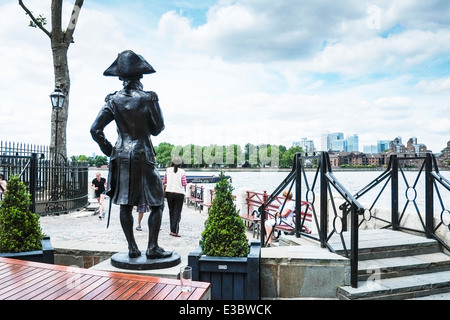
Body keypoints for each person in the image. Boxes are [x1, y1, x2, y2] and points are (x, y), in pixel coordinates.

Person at [91, 50, 170, 259]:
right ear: (140, 78)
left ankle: (132, 248)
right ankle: (152, 247)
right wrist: (154, 103)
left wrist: (109, 150)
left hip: (122, 155)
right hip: (143, 154)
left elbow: (95, 130)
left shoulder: (112, 100)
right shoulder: (147, 98)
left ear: (121, 78)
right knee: (157, 202)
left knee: (125, 203)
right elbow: (157, 128)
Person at [163, 157, 187, 237]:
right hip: (179, 194)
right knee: (177, 212)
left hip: (169, 193)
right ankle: (174, 231)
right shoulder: (182, 171)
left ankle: (172, 229)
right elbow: (184, 183)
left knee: (171, 212)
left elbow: (165, 181)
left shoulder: (167, 170)